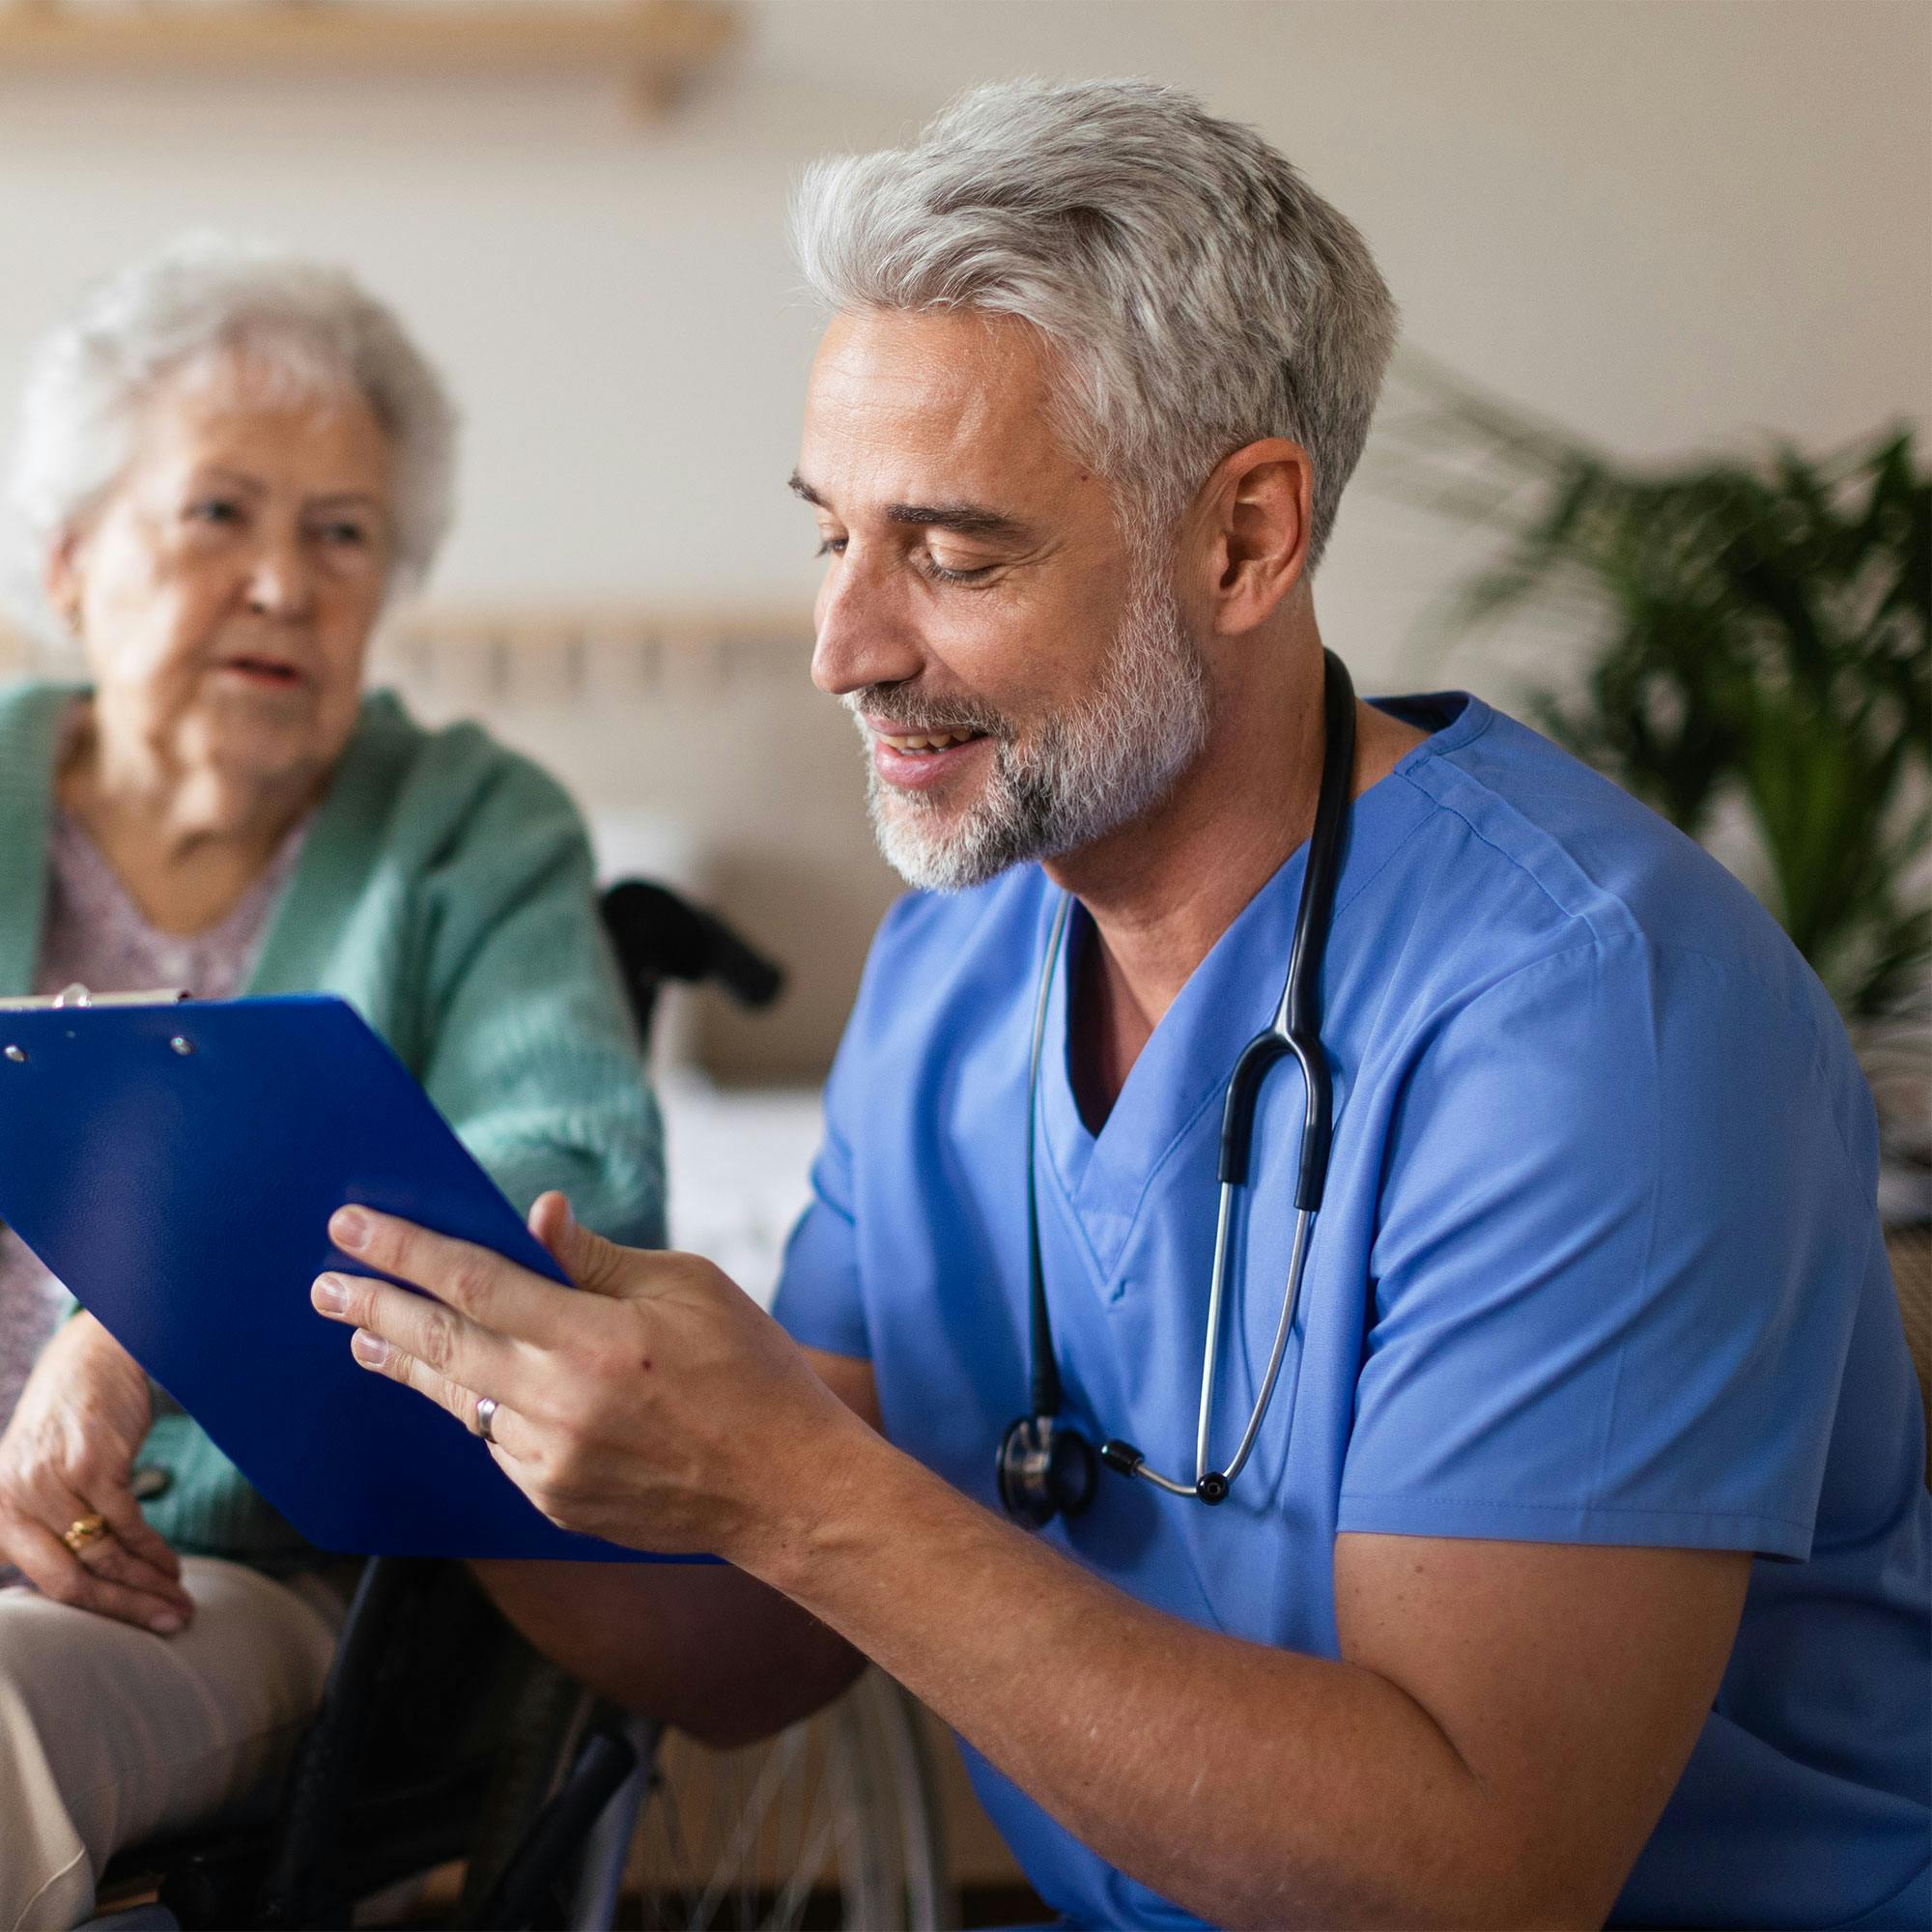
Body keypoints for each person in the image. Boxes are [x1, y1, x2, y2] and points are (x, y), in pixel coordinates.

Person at [313, 81, 1931, 1930]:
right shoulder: (954, 966)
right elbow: (760, 1643)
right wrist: (376, 1358)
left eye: (954, 552)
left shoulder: (1600, 1021)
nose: (845, 647)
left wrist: (785, 1486)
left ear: (1246, 540)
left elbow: (1478, 1875)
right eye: (830, 534)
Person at [0, 236, 663, 1928]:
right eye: (219, 513)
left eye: (342, 534)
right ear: (73, 559)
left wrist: (137, 1317)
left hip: (225, 1581)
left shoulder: (470, 832)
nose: (285, 583)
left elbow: (572, 1176)